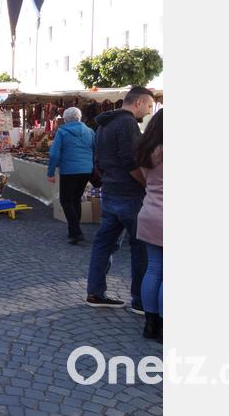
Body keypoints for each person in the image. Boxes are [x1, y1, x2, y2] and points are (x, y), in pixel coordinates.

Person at [85, 86, 156, 310]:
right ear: (138, 103)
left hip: (111, 192)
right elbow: (130, 161)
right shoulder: (127, 123)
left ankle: (95, 293)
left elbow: (97, 160)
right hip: (130, 195)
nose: (148, 111)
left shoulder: (104, 125)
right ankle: (140, 301)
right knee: (140, 249)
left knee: (103, 245)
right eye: (149, 106)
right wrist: (146, 184)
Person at [47, 107, 96, 244]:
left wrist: (50, 172)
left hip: (69, 170)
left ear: (65, 118)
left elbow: (54, 154)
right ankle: (73, 230)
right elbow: (95, 151)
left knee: (66, 201)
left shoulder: (62, 132)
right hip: (86, 170)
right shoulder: (90, 131)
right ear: (79, 117)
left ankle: (76, 232)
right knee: (75, 200)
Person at [135, 109, 163, 342]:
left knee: (154, 269)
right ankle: (163, 326)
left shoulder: (147, 151)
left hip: (149, 213)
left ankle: (150, 324)